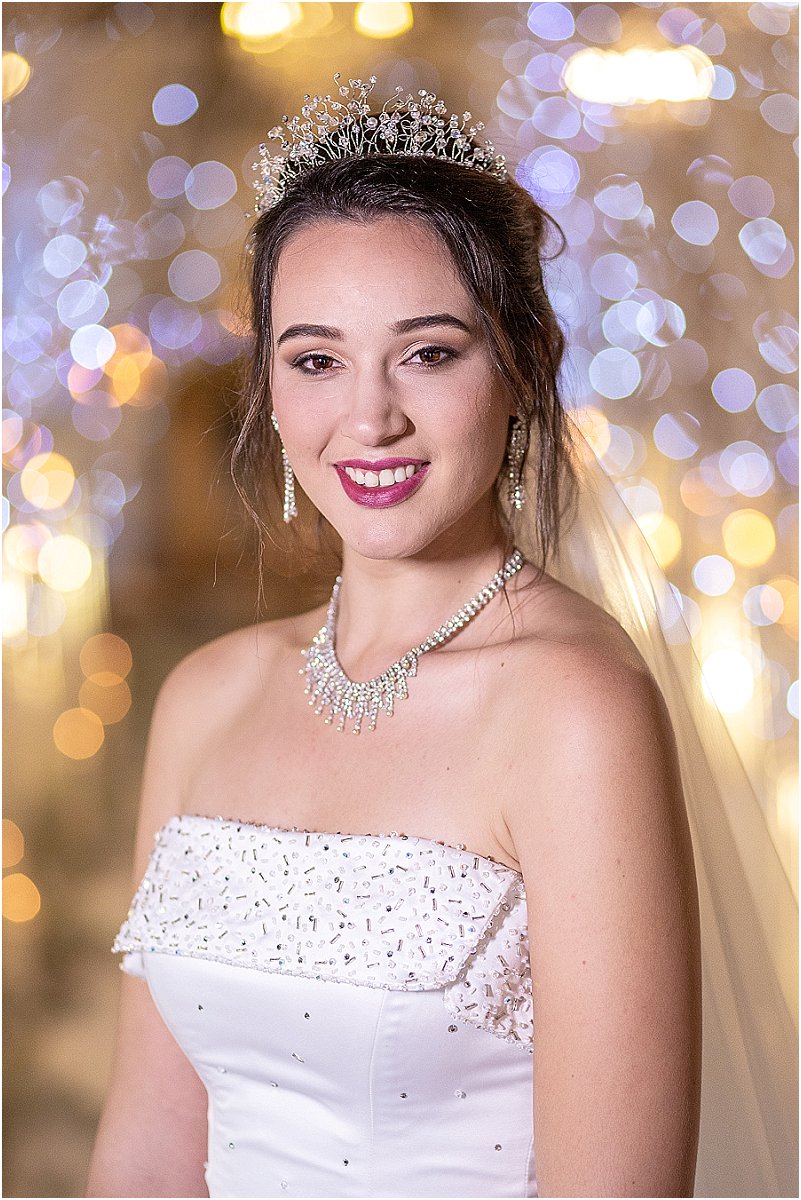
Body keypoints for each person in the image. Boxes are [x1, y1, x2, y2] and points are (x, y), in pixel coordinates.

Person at [86, 78, 796, 1199]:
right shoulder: (206, 695)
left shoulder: (574, 707)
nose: (369, 419)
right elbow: (143, 1155)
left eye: (428, 353)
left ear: (523, 365)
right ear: (269, 389)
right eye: (316, 359)